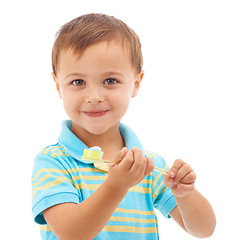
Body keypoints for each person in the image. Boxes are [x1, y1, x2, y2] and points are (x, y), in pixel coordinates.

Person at [31, 13, 216, 240]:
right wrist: (116, 186)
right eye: (78, 82)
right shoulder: (53, 161)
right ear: (58, 86)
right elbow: (71, 234)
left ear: (136, 84)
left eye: (110, 81)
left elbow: (203, 230)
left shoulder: (148, 165)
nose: (95, 96)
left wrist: (186, 195)